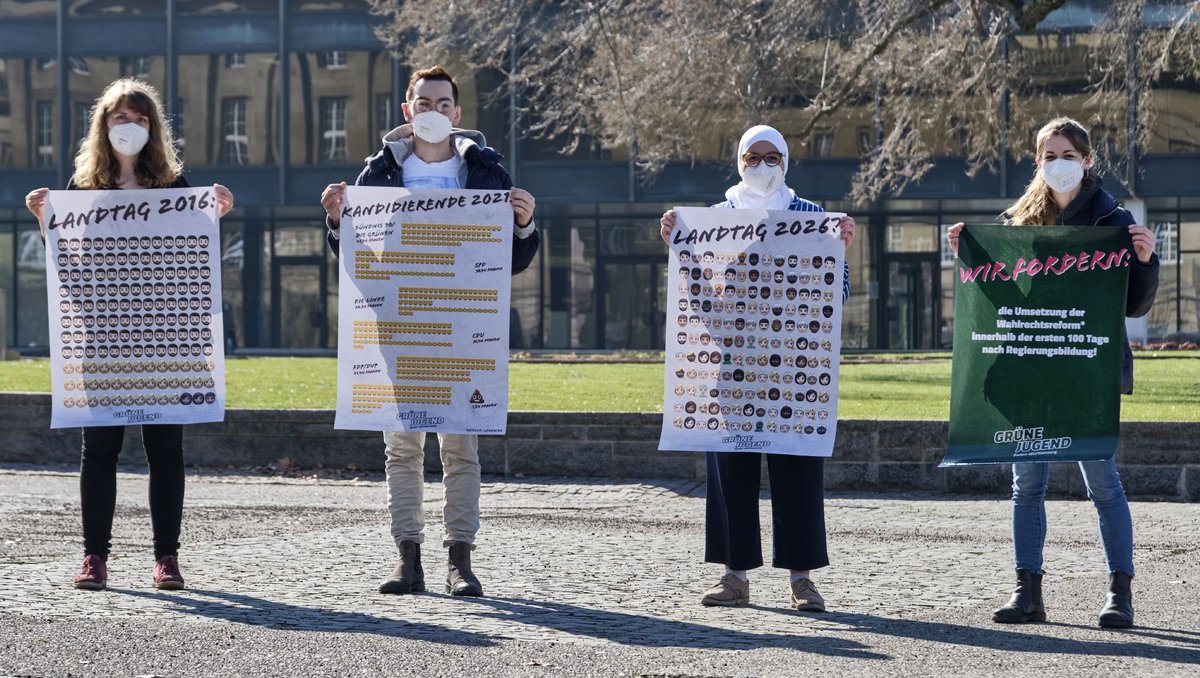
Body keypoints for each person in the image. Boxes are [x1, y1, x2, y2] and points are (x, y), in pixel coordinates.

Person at [321, 65, 539, 597]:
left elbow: (512, 261)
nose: (434, 111)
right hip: (400, 331)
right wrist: (334, 222)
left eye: (444, 104)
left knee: (461, 449)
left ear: (458, 115)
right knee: (402, 450)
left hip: (462, 330)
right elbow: (357, 259)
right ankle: (407, 560)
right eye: (424, 103)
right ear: (407, 111)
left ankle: (460, 561)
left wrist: (526, 225)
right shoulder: (376, 175)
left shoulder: (486, 172)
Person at [947, 117, 1159, 628]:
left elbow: (1132, 306)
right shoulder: (1017, 220)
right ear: (1036, 161)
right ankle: (1027, 591)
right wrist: (970, 256)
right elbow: (1004, 303)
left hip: (1088, 376)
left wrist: (1147, 261)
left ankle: (1119, 593)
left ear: (1087, 161)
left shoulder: (1113, 219)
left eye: (1067, 155)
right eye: (1048, 155)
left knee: (1103, 483)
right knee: (1027, 486)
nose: (1057, 165)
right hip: (1029, 375)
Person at [24, 78, 235, 591]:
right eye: (121, 118)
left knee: (166, 452)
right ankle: (94, 556)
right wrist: (44, 222)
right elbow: (70, 268)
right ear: (104, 125)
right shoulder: (82, 190)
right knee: (99, 451)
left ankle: (167, 558)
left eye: (140, 119)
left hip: (165, 338)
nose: (131, 127)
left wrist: (216, 216)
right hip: (104, 338)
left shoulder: (174, 185)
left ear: (152, 128)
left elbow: (191, 259)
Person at [659, 125, 856, 611]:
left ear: (786, 162)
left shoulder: (812, 217)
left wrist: (840, 253)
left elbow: (840, 292)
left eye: (772, 157)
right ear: (738, 161)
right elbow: (697, 295)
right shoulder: (715, 218)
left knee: (799, 471)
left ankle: (802, 579)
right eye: (753, 156)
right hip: (731, 368)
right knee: (731, 474)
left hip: (795, 369)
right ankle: (734, 576)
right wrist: (677, 244)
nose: (762, 165)